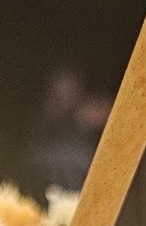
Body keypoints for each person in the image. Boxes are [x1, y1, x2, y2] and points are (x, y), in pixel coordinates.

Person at [27, 67, 110, 201]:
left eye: (70, 90)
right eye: (57, 94)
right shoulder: (43, 129)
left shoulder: (89, 118)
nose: (64, 97)